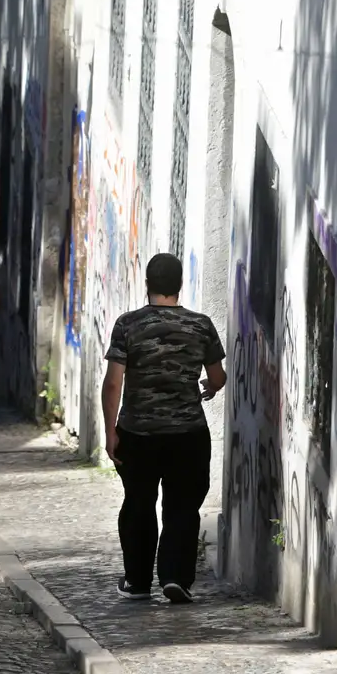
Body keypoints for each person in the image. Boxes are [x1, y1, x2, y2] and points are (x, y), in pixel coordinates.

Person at [104, 252, 227, 604]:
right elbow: (217, 376)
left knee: (139, 503)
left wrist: (111, 429)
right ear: (179, 285)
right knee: (183, 506)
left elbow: (114, 383)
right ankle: (175, 577)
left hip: (138, 433)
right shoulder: (201, 325)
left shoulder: (128, 325)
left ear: (147, 285)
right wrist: (210, 386)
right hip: (188, 435)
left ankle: (138, 581)